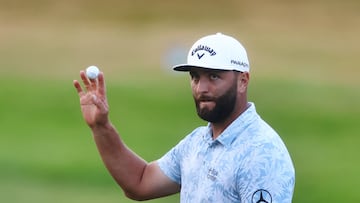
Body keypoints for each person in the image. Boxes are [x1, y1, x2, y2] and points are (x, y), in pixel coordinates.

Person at [73, 33, 295, 202]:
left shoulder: (262, 154)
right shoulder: (198, 142)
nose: (201, 88)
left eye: (214, 76)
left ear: (243, 81)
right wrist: (101, 128)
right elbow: (139, 183)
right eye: (195, 77)